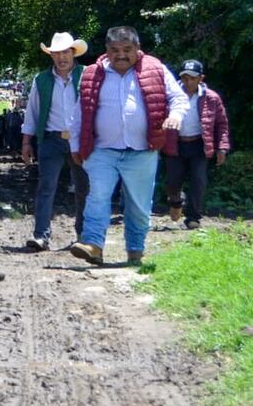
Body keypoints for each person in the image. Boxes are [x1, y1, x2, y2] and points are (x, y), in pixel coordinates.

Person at [69, 26, 188, 266]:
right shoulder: (93, 74)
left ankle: (135, 249)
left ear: (137, 49)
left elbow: (178, 97)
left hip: (142, 151)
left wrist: (176, 115)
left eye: (126, 49)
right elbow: (79, 113)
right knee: (98, 196)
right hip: (101, 150)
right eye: (115, 50)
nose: (120, 55)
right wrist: (75, 144)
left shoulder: (155, 69)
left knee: (139, 204)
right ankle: (93, 245)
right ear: (107, 50)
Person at [20, 31, 89, 252]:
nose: (61, 58)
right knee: (46, 187)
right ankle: (41, 235)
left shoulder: (86, 75)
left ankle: (84, 235)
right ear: (51, 56)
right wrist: (26, 142)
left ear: (73, 53)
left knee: (83, 188)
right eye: (56, 53)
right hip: (50, 139)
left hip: (80, 140)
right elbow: (32, 113)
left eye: (65, 52)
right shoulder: (41, 80)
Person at [161, 59, 231, 230]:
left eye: (192, 78)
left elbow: (222, 124)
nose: (188, 81)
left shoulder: (212, 98)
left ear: (201, 78)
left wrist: (222, 147)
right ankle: (176, 202)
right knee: (172, 181)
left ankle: (193, 217)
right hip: (175, 144)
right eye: (185, 77)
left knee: (199, 181)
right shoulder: (170, 95)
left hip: (199, 145)